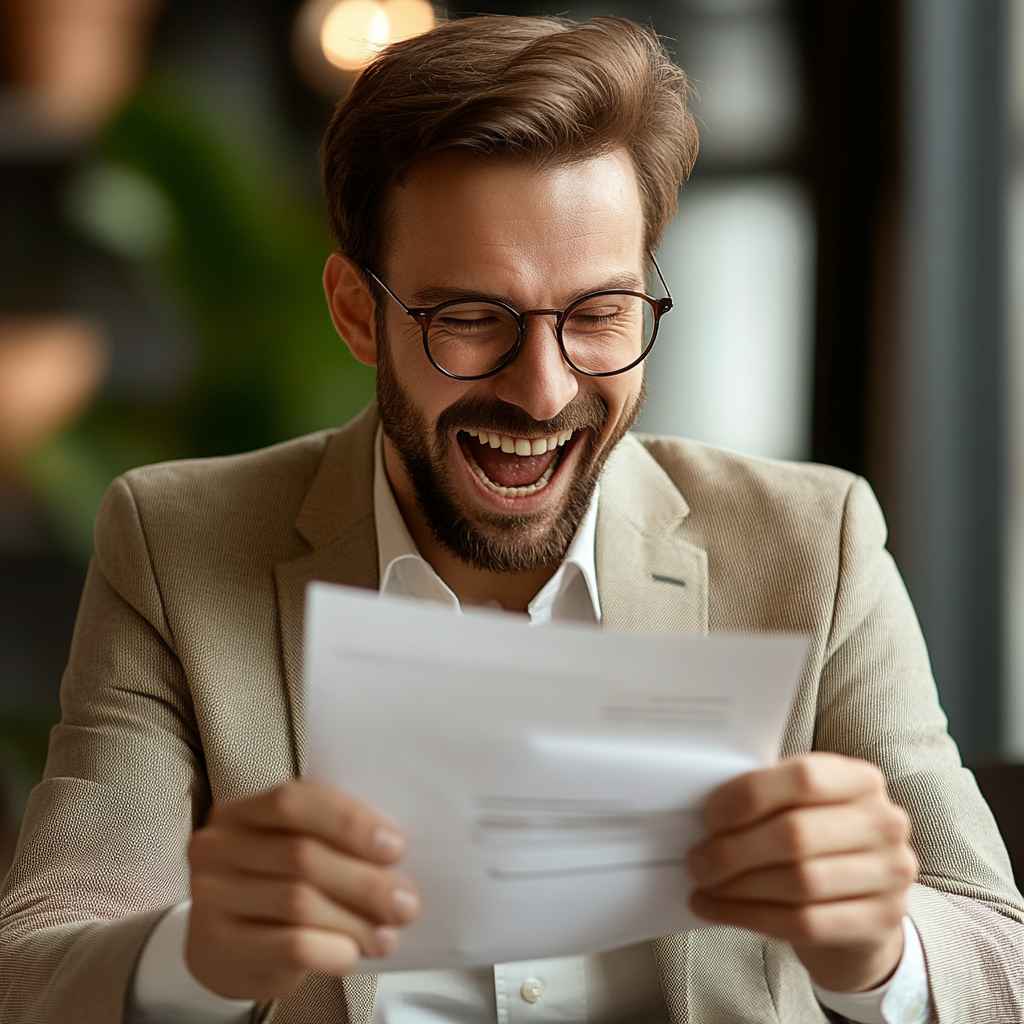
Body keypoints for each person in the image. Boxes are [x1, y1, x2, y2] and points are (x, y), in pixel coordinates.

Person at [1, 14, 1021, 1024]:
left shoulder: (811, 542)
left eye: (597, 315)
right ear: (359, 313)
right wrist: (197, 955)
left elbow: (1000, 959)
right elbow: (35, 975)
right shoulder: (177, 543)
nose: (542, 391)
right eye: (471, 318)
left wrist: (882, 951)